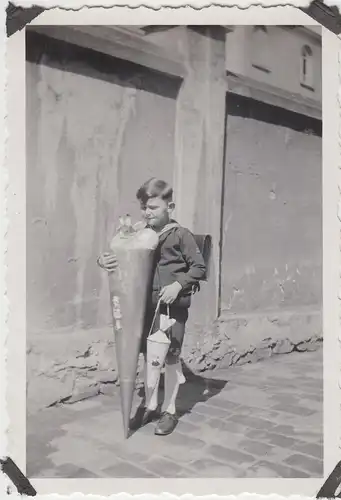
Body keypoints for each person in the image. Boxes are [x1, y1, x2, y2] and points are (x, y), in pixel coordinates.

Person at [97, 178, 206, 436]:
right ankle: (151, 405)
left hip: (170, 308)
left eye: (154, 208)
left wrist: (178, 285)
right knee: (149, 356)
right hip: (141, 307)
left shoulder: (180, 234)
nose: (147, 213)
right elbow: (118, 253)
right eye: (144, 208)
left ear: (171, 206)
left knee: (169, 358)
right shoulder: (137, 232)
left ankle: (169, 411)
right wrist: (105, 260)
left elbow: (199, 268)